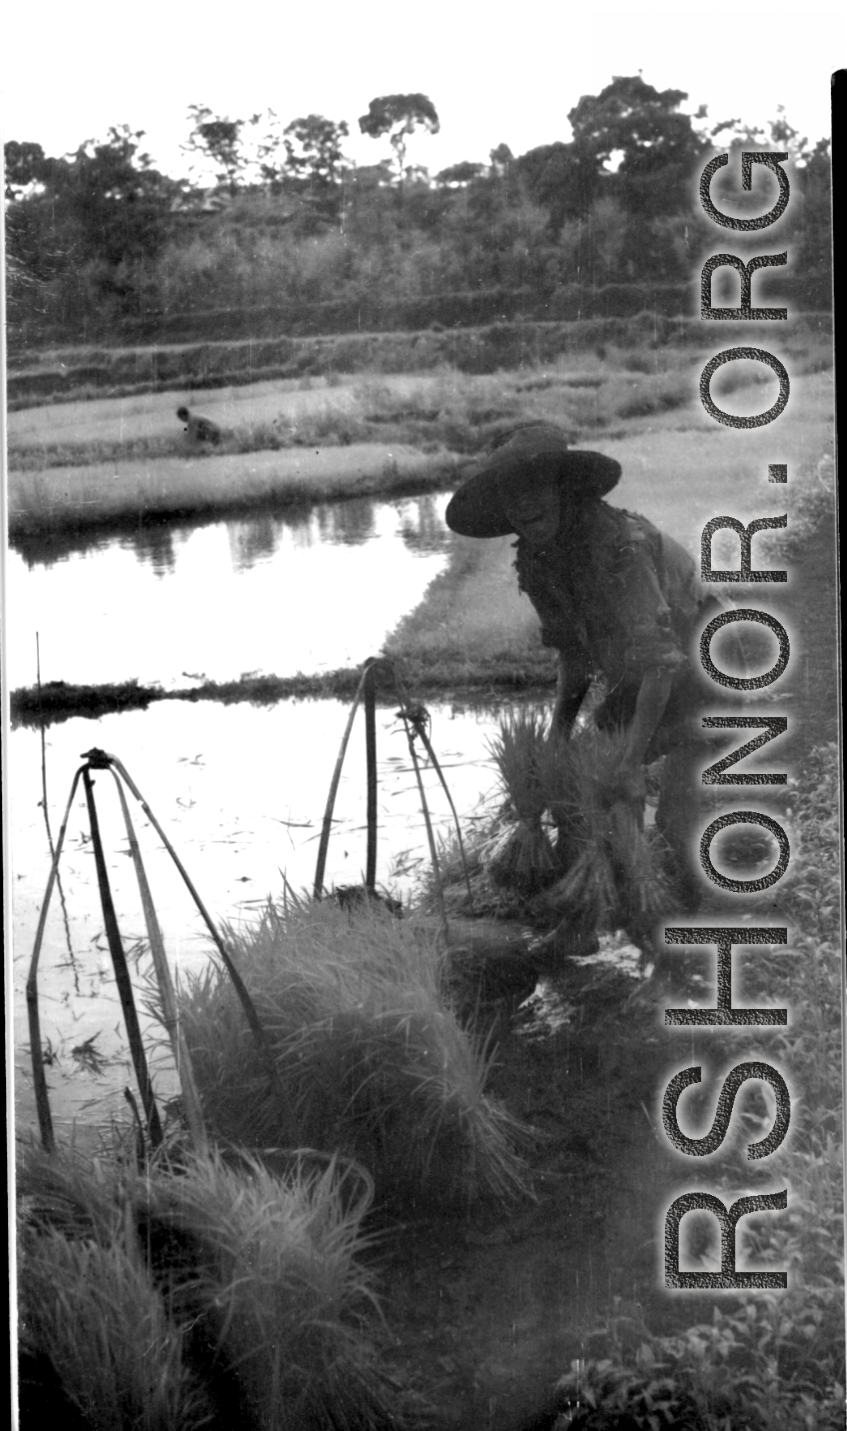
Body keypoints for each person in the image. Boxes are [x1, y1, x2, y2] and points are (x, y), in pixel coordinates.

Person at [445, 421, 731, 941]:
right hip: (644, 674)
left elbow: (661, 661)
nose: (523, 505)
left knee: (674, 816)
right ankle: (585, 912)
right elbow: (574, 658)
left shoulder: (623, 547)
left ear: (561, 486)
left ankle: (682, 931)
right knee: (576, 786)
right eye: (510, 494)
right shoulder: (536, 559)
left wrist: (632, 759)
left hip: (710, 662)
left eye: (533, 487)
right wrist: (557, 738)